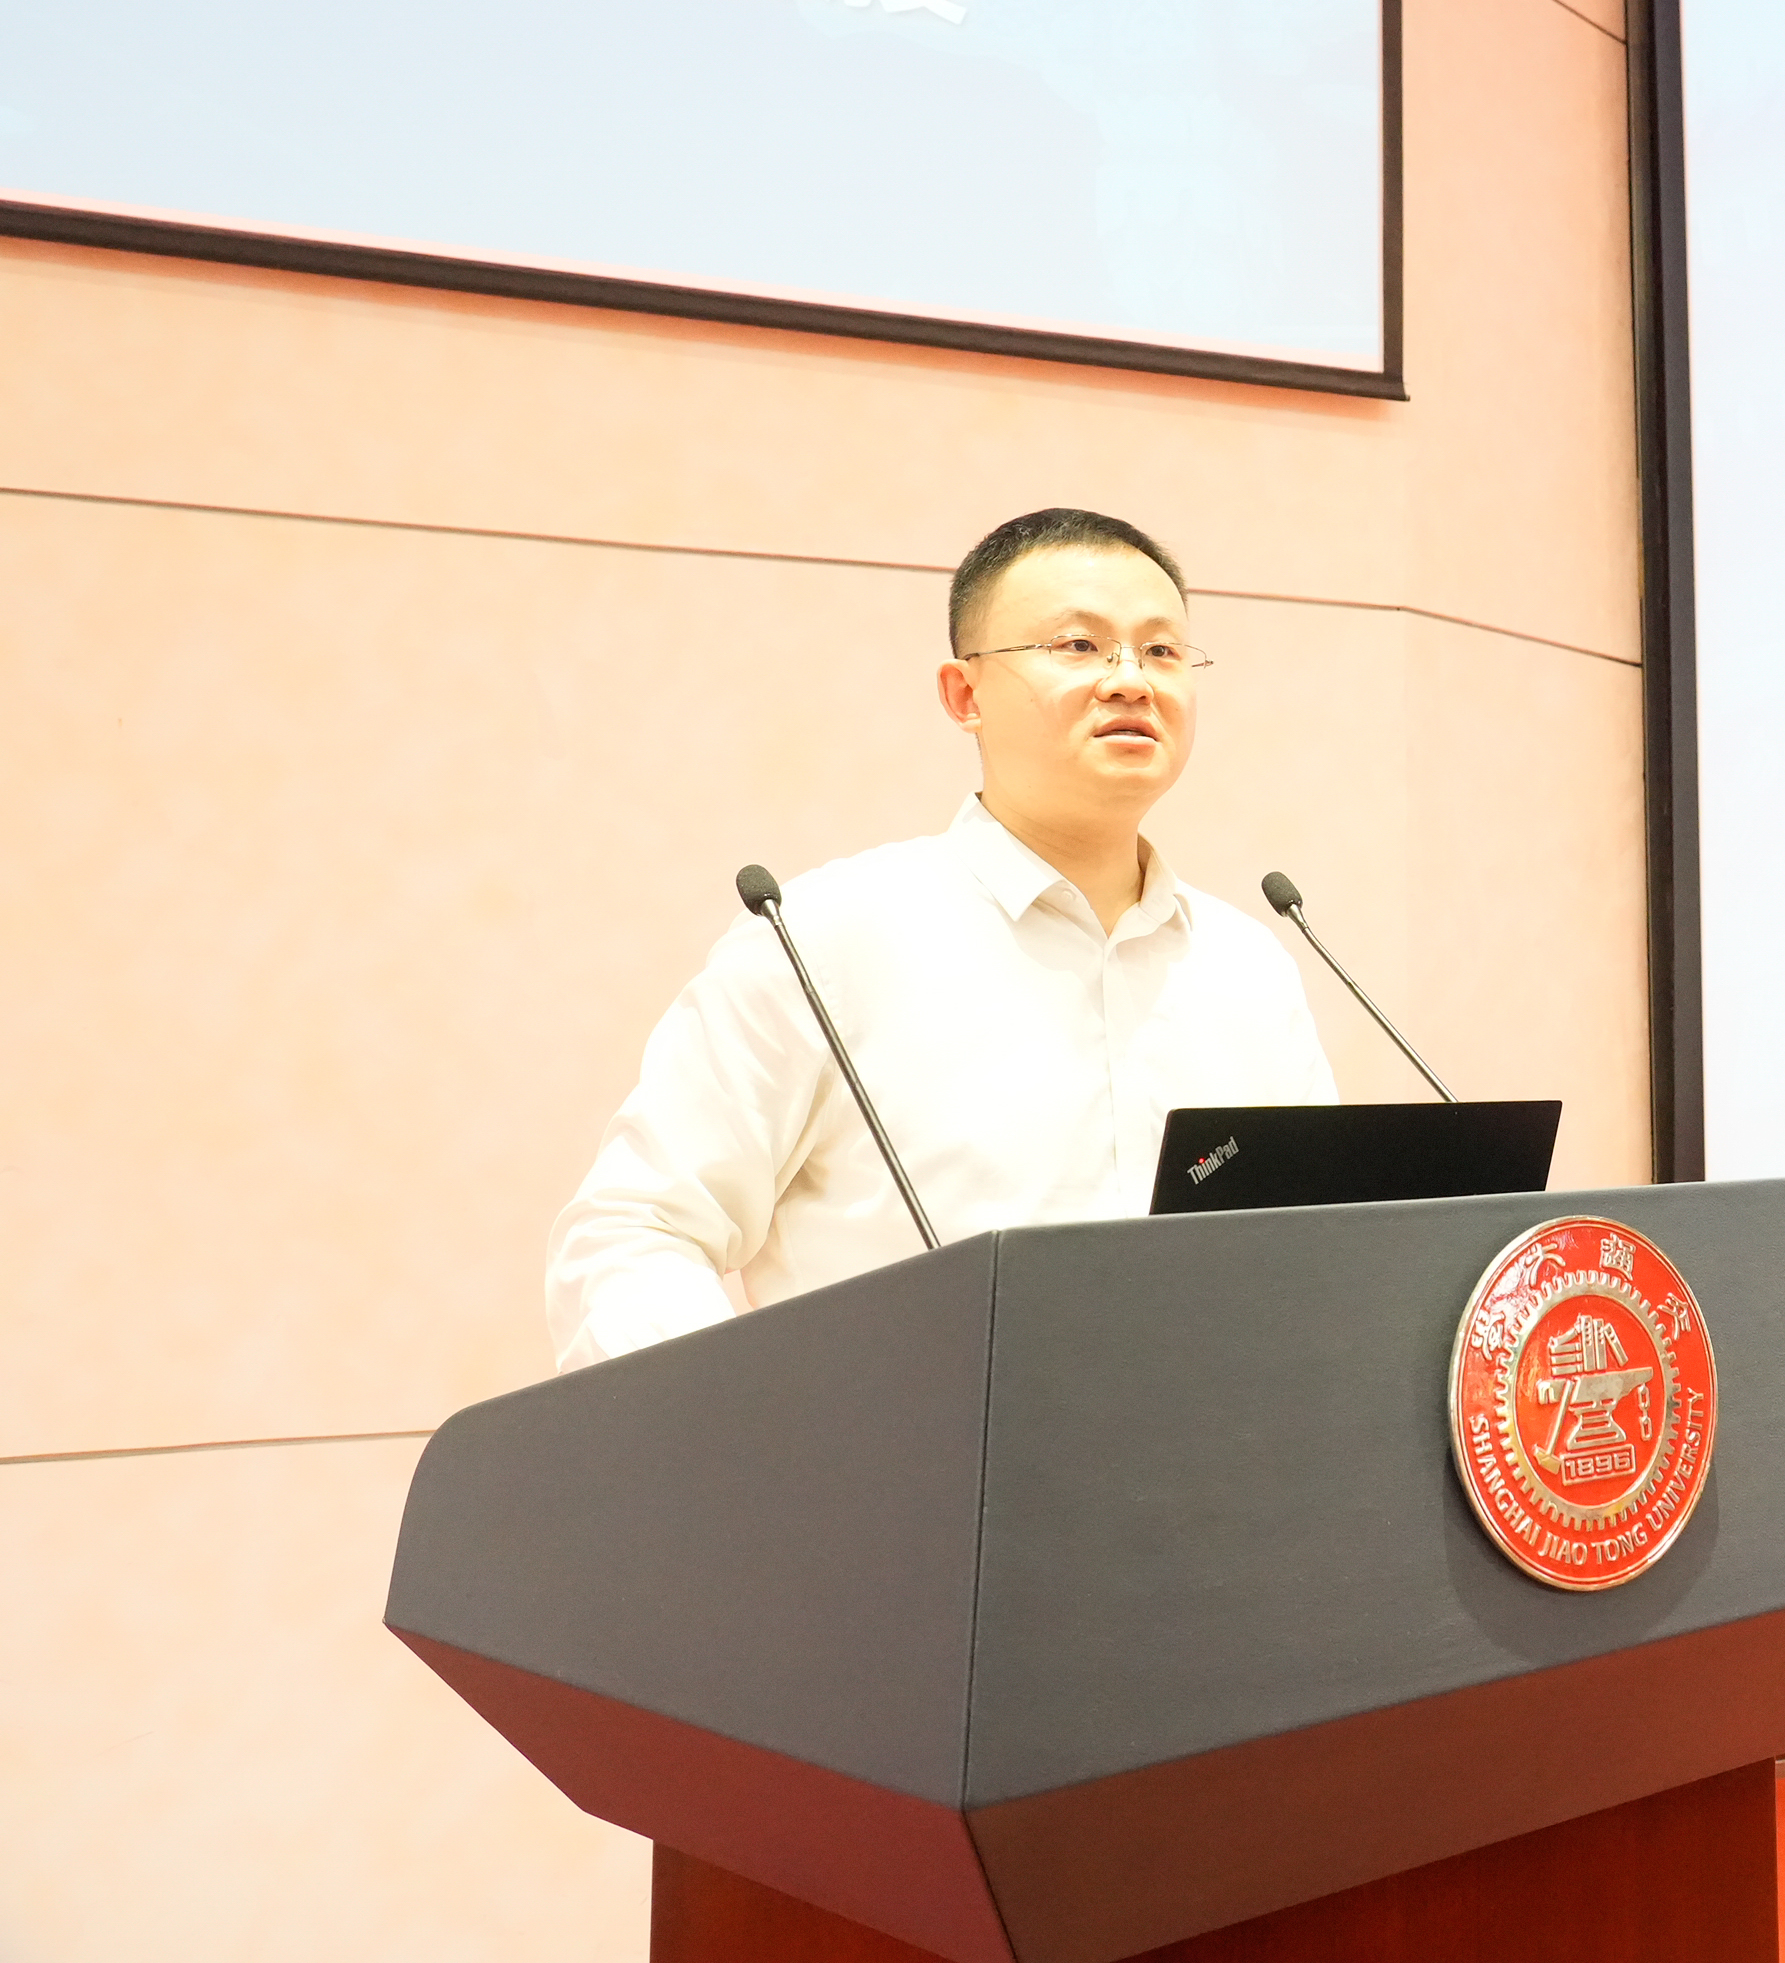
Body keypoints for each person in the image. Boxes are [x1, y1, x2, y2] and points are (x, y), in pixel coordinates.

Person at [543, 507, 1335, 1369]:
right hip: (891, 1451)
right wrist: (742, 1423)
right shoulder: (826, 940)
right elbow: (634, 1230)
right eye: (1079, 646)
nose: (1130, 681)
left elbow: (1324, 1254)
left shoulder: (1248, 967)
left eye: (1162, 651)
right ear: (965, 696)